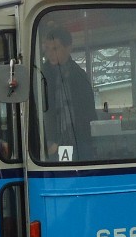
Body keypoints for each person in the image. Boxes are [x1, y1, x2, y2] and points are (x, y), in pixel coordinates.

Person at [40, 25, 95, 161]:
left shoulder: (79, 75)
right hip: (51, 144)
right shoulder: (41, 75)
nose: (50, 54)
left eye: (55, 48)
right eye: (47, 49)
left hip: (80, 141)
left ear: (68, 48)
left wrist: (86, 139)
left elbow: (88, 110)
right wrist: (49, 139)